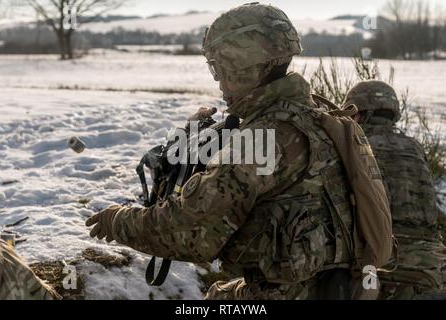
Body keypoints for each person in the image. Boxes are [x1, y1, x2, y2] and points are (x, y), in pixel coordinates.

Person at [86, 3, 392, 299]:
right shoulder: (319, 117)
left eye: (218, 68)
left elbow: (190, 231)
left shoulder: (264, 135)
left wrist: (119, 220)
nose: (218, 81)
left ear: (242, 63)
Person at [344, 80, 446, 299]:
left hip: (383, 267)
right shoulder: (414, 147)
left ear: (360, 114)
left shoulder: (357, 147)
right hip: (434, 265)